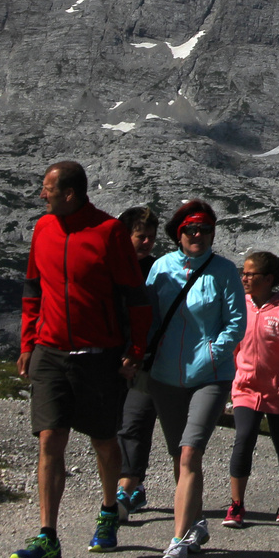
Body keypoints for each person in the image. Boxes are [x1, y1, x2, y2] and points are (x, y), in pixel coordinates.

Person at [9, 161, 152, 558]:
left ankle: (109, 512)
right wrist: (27, 343)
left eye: (48, 189)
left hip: (98, 356)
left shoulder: (107, 233)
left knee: (104, 441)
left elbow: (135, 296)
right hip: (50, 352)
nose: (42, 195)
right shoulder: (43, 229)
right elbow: (33, 288)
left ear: (69, 193)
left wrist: (135, 348)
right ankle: (47, 537)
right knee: (50, 439)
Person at [146, 200, 245, 558]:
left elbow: (236, 323)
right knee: (179, 456)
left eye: (205, 229)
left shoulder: (224, 271)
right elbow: (148, 317)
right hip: (165, 376)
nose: (198, 235)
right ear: (179, 233)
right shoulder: (160, 268)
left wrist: (211, 355)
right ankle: (195, 523)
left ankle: (177, 544)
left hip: (210, 376)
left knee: (190, 454)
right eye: (191, 229)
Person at [223, 251, 279, 528]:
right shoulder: (239, 307)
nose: (244, 278)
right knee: (244, 439)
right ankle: (236, 505)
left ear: (268, 279)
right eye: (242, 273)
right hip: (246, 389)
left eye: (250, 274)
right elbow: (232, 344)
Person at [114, 206, 161, 521]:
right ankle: (134, 484)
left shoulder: (160, 270)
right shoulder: (110, 268)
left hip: (148, 361)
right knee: (117, 425)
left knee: (135, 421)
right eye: (140, 236)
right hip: (112, 358)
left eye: (151, 238)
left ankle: (125, 489)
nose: (146, 243)